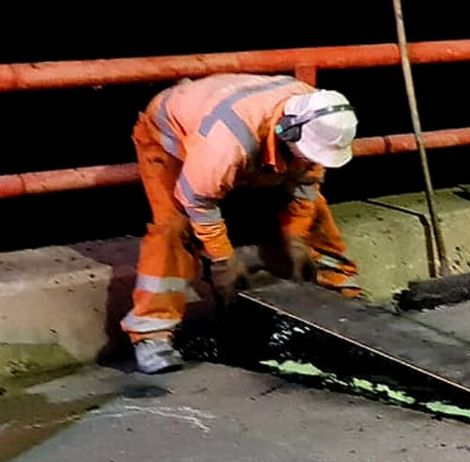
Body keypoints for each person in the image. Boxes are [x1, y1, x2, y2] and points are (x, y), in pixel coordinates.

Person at [120, 73, 362, 373]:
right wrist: (223, 259)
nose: (311, 159)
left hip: (233, 126)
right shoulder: (225, 143)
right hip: (170, 138)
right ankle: (151, 334)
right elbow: (197, 200)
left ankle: (346, 296)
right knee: (174, 227)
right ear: (287, 131)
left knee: (317, 212)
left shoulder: (317, 116)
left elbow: (307, 183)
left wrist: (296, 238)